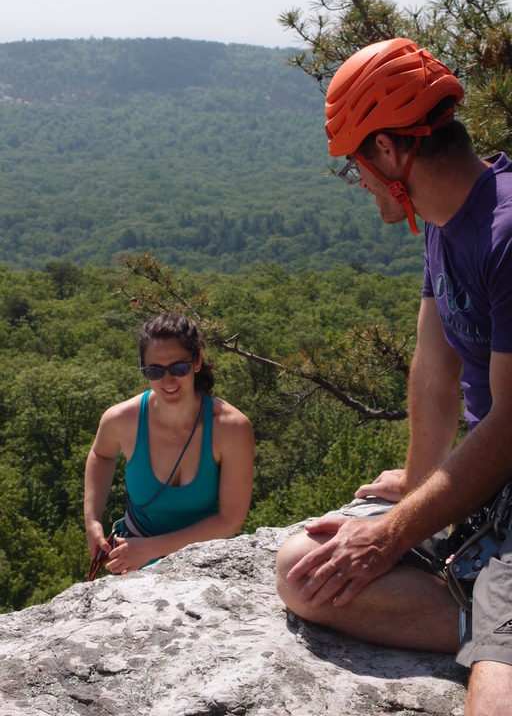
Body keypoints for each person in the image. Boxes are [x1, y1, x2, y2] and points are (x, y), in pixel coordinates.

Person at [275, 38, 512, 716]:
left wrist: (394, 532)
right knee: (305, 568)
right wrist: (414, 486)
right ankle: (477, 606)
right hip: (492, 492)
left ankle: (493, 627)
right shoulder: (445, 222)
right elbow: (435, 373)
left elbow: (510, 421)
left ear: (387, 150)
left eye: (357, 166)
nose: (362, 184)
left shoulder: (505, 232)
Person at [84, 311, 254, 578]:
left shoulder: (231, 429)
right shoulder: (121, 420)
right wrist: (92, 519)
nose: (167, 380)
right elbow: (101, 454)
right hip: (133, 559)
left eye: (178, 368)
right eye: (154, 370)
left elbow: (229, 520)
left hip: (205, 566)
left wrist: (150, 549)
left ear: (196, 362)